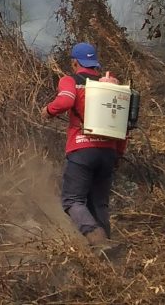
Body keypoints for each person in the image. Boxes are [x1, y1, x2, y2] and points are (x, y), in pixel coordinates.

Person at [41, 41, 127, 250]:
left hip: (82, 149)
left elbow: (65, 101)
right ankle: (108, 251)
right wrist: (118, 154)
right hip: (108, 152)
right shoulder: (110, 88)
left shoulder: (71, 80)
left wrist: (48, 111)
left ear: (74, 63)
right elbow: (122, 125)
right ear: (94, 63)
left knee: (73, 200)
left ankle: (96, 238)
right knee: (99, 203)